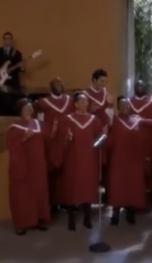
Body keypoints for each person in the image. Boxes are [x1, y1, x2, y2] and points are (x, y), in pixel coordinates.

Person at [50, 92, 105, 231]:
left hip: (89, 160)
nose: (85, 103)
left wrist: (100, 141)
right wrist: (66, 139)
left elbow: (99, 138)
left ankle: (87, 218)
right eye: (82, 101)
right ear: (75, 104)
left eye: (86, 101)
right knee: (71, 189)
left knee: (88, 188)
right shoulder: (67, 120)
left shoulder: (94, 120)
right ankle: (71, 219)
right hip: (72, 160)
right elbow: (60, 140)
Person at [7, 98, 51, 235]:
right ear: (20, 111)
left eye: (31, 109)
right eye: (26, 109)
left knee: (38, 191)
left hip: (38, 165)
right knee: (23, 194)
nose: (29, 111)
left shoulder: (38, 123)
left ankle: (37, 220)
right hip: (23, 164)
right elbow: (12, 146)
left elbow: (48, 140)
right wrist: (24, 138)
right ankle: (21, 223)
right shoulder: (14, 128)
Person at [105, 97, 148, 225]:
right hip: (118, 159)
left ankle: (130, 211)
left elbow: (144, 138)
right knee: (117, 185)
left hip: (134, 159)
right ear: (118, 108)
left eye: (127, 105)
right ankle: (116, 212)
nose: (126, 107)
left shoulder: (137, 120)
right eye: (122, 105)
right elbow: (110, 142)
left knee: (132, 185)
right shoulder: (115, 121)